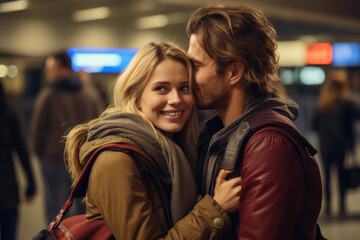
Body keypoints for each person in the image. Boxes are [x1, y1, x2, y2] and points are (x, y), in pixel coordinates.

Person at [64, 42, 241, 239]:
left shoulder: (175, 152)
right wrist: (215, 210)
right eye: (161, 89)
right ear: (136, 96)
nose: (175, 99)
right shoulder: (115, 160)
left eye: (184, 88)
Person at [186, 5, 323, 239]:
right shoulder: (217, 133)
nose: (188, 76)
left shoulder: (269, 145)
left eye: (196, 66)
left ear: (234, 72)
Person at [30, 51, 104, 224]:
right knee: (85, 212)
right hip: (85, 161)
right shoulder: (90, 93)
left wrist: (41, 154)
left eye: (51, 68)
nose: (47, 72)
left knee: (56, 212)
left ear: (63, 68)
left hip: (55, 161)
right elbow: (100, 127)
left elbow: (37, 130)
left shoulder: (48, 94)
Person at [313, 68, 360, 216]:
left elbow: (313, 125)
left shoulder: (322, 103)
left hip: (326, 146)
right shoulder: (346, 102)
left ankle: (327, 208)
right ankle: (342, 207)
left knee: (326, 177)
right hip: (341, 146)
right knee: (341, 175)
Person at [0, 81, 36, 240]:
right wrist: (31, 183)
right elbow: (21, 149)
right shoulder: (8, 112)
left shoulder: (9, 112)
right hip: (6, 188)